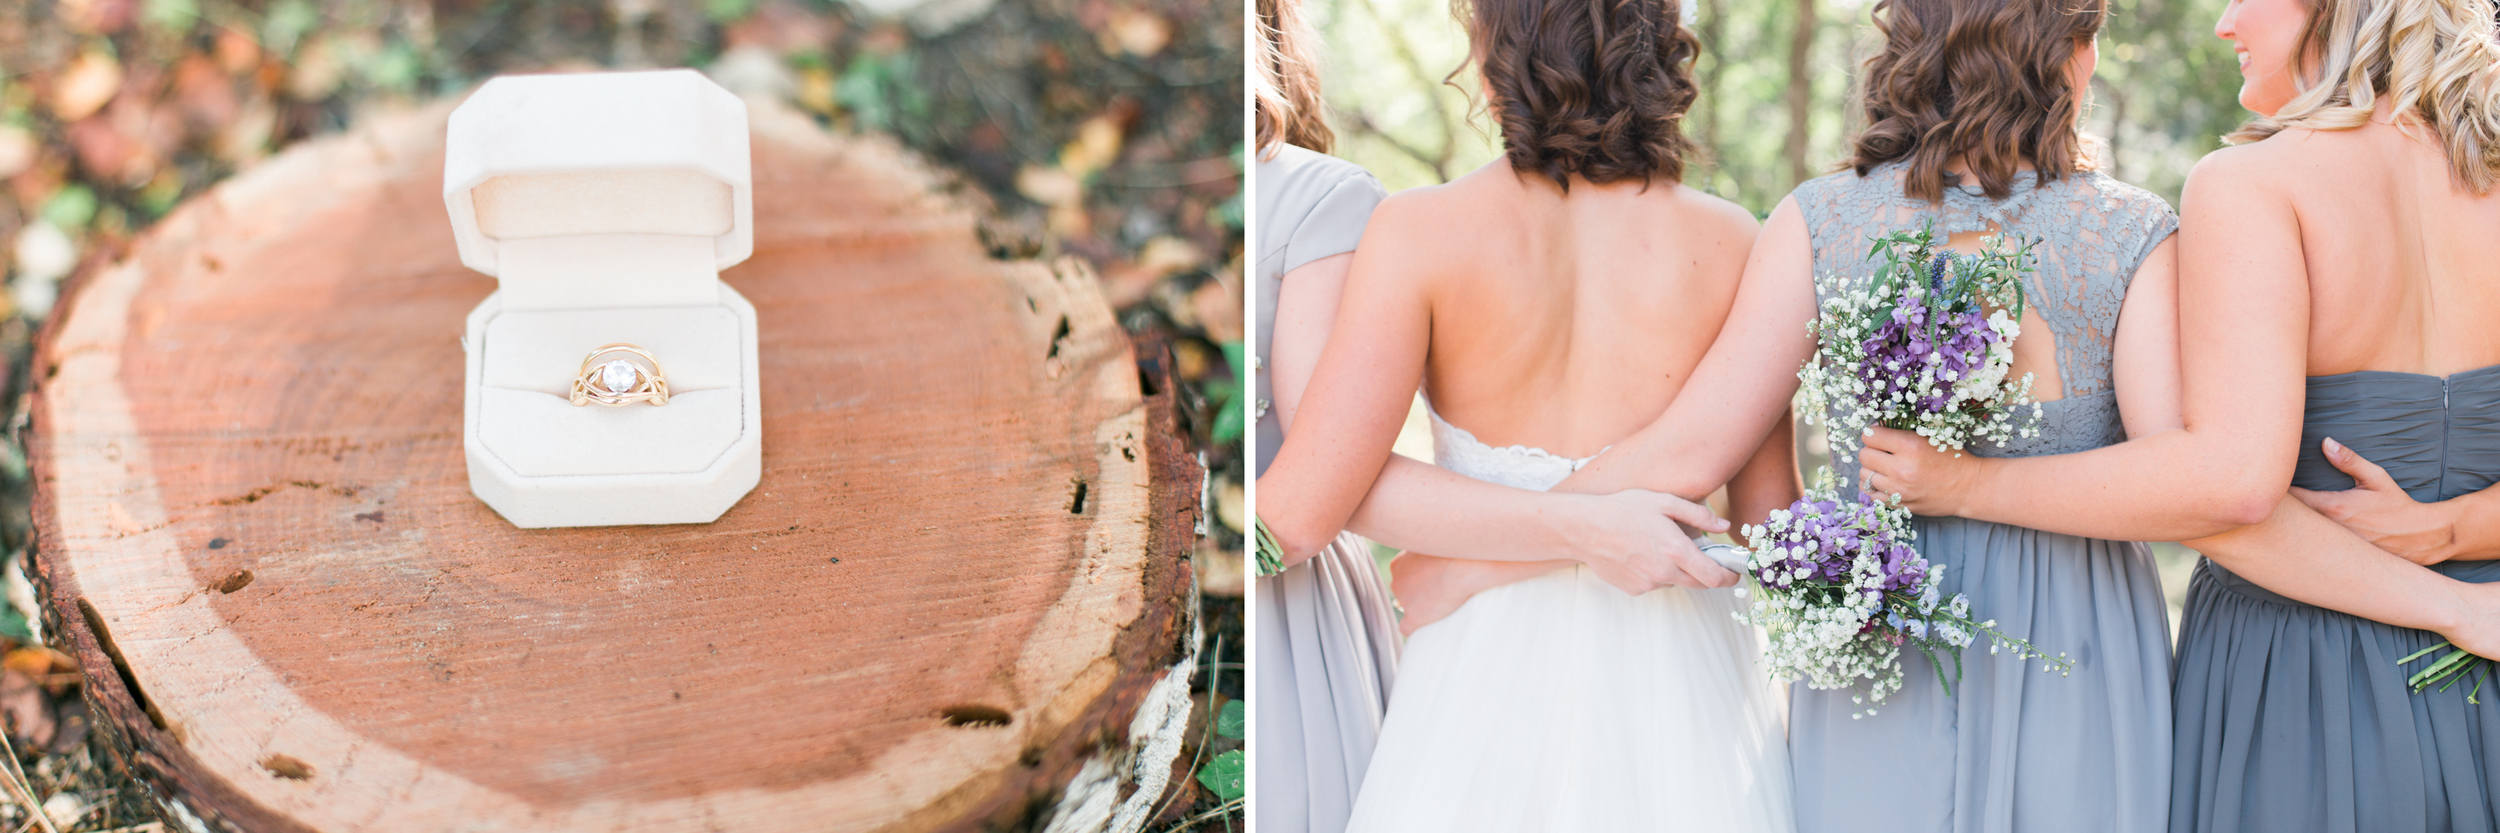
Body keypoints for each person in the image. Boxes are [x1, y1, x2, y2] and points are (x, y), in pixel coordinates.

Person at [1393, 0, 2183, 829]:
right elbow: (2179, 478)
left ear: (1907, 41)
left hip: (1879, 630)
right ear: (2073, 58)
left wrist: (1478, 564)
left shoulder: (1822, 218)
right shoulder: (2131, 231)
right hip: (2078, 641)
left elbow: (1693, 453)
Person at [1852, 0, 2500, 830]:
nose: (2225, 24)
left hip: (2303, 673)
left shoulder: (2253, 185)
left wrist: (1965, 484)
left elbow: (2227, 489)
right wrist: (2451, 536)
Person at [1253, 0, 1799, 825]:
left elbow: (1315, 498)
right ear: (1662, 54)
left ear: (1492, 60)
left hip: (1477, 659)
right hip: (1679, 670)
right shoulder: (1738, 243)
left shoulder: (1416, 230)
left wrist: (1469, 563)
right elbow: (1769, 524)